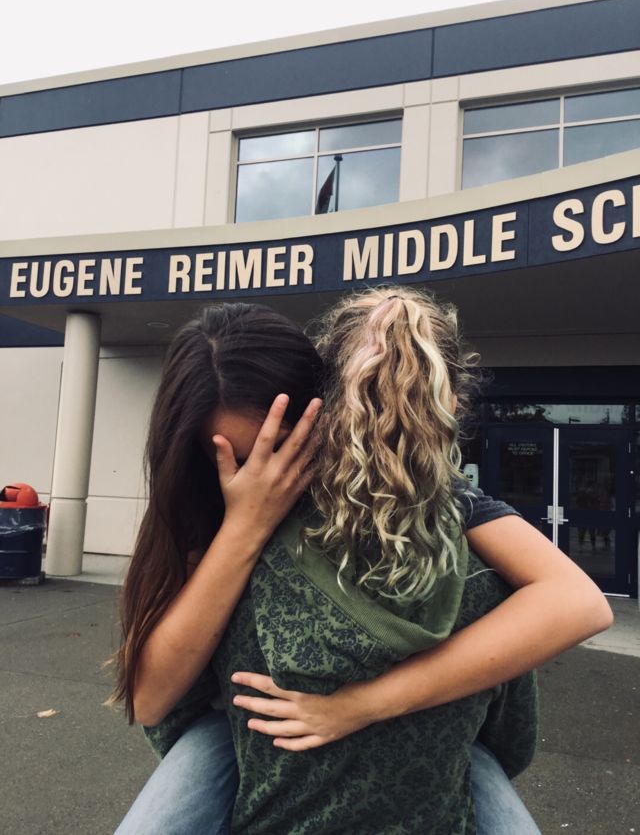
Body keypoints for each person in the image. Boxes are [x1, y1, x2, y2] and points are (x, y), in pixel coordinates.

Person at [109, 289, 612, 834]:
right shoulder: (200, 508)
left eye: (279, 447)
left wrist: (363, 704)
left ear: (323, 414)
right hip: (248, 743)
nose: (259, 476)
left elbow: (579, 602)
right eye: (230, 458)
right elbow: (151, 698)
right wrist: (244, 526)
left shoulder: (438, 500)